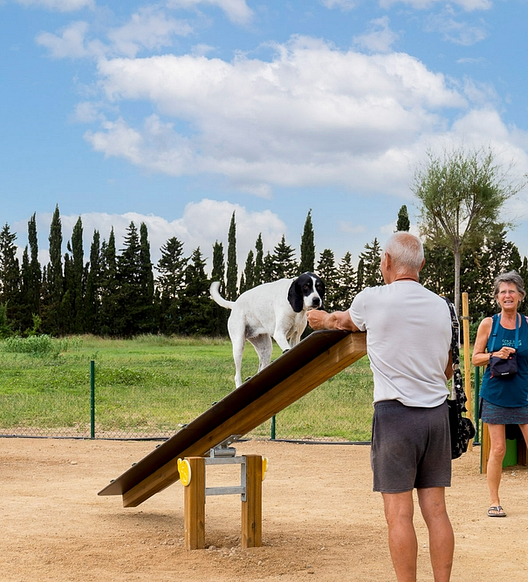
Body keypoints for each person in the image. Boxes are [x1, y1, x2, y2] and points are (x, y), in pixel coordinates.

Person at [307, 231, 454, 582]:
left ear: (386, 261)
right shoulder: (442, 306)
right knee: (436, 511)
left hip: (395, 415)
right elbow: (448, 368)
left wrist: (322, 319)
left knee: (399, 514)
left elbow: (345, 322)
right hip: (436, 416)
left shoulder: (372, 299)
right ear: (421, 265)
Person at [472, 271, 528, 518]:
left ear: (520, 296)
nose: (508, 295)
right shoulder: (488, 323)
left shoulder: (527, 324)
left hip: (524, 395)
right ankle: (494, 501)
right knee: (498, 450)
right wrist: (495, 355)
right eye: (503, 291)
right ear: (497, 297)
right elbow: (475, 358)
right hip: (495, 394)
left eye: (512, 291)